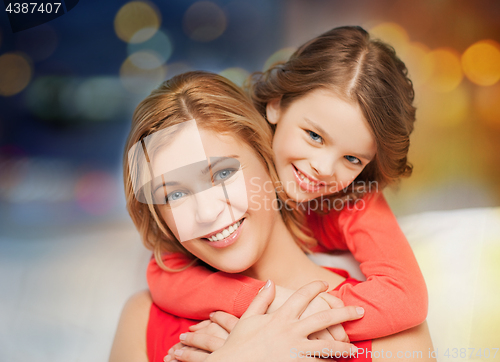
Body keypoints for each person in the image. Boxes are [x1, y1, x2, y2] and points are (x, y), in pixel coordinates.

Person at [109, 71, 434, 362]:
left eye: (222, 173)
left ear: (268, 157)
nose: (207, 212)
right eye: (174, 195)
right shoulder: (142, 317)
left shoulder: (392, 333)